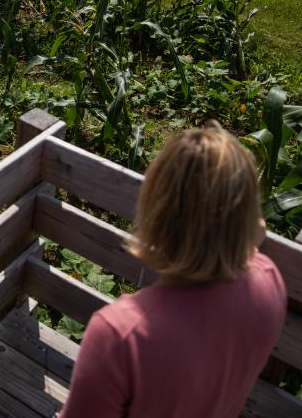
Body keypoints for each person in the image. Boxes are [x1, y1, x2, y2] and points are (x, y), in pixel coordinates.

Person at [59, 122, 286, 418]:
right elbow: (255, 239)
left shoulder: (121, 335)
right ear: (246, 215)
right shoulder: (269, 282)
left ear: (156, 212)